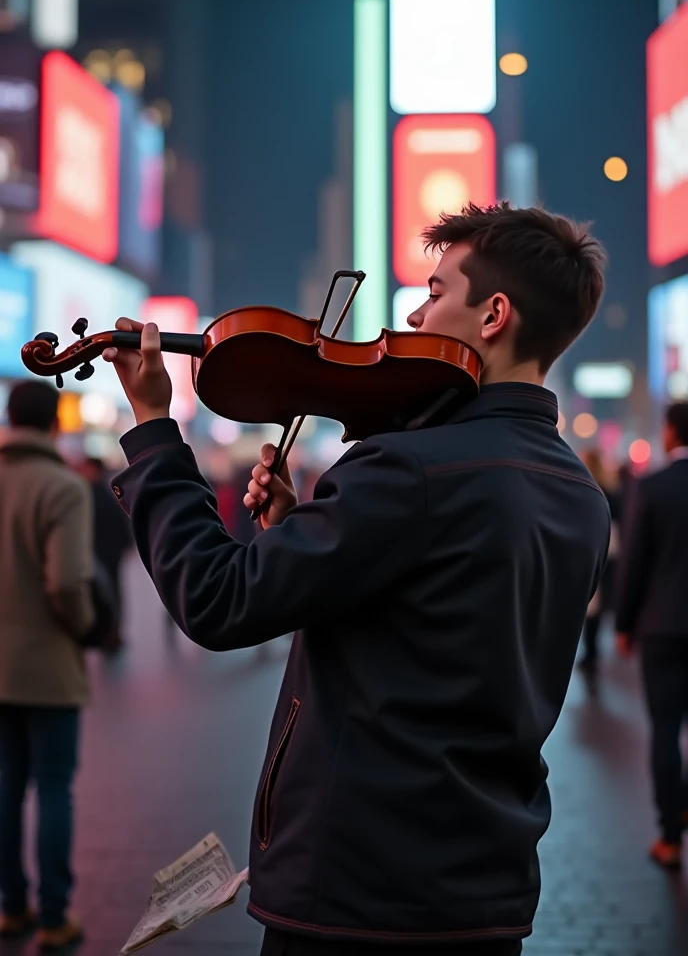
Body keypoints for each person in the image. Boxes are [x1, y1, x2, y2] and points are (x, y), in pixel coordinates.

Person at [104, 202, 610, 956]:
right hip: (486, 891)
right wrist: (296, 532)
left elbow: (215, 599)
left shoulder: (411, 467)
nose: (415, 309)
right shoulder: (580, 493)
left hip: (355, 893)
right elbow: (436, 625)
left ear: (494, 314)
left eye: (437, 291)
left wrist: (151, 430)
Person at [0, 381, 94, 950]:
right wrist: (86, 629)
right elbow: (66, 581)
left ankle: (11, 907)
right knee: (54, 787)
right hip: (49, 664)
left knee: (6, 785)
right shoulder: (64, 487)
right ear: (55, 421)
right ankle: (56, 916)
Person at [615, 401, 688, 870]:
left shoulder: (653, 487)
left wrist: (624, 624)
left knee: (665, 730)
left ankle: (670, 836)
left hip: (662, 627)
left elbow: (633, 563)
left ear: (669, 433)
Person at [80, 456, 133, 650]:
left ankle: (110, 632)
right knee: (110, 591)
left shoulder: (92, 493)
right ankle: (110, 632)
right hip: (106, 551)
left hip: (105, 552)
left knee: (108, 591)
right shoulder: (107, 491)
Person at [578, 448, 622, 672]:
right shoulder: (612, 491)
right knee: (598, 603)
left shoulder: (587, 490)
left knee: (591, 604)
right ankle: (592, 650)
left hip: (593, 549)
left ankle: (591, 651)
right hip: (611, 552)